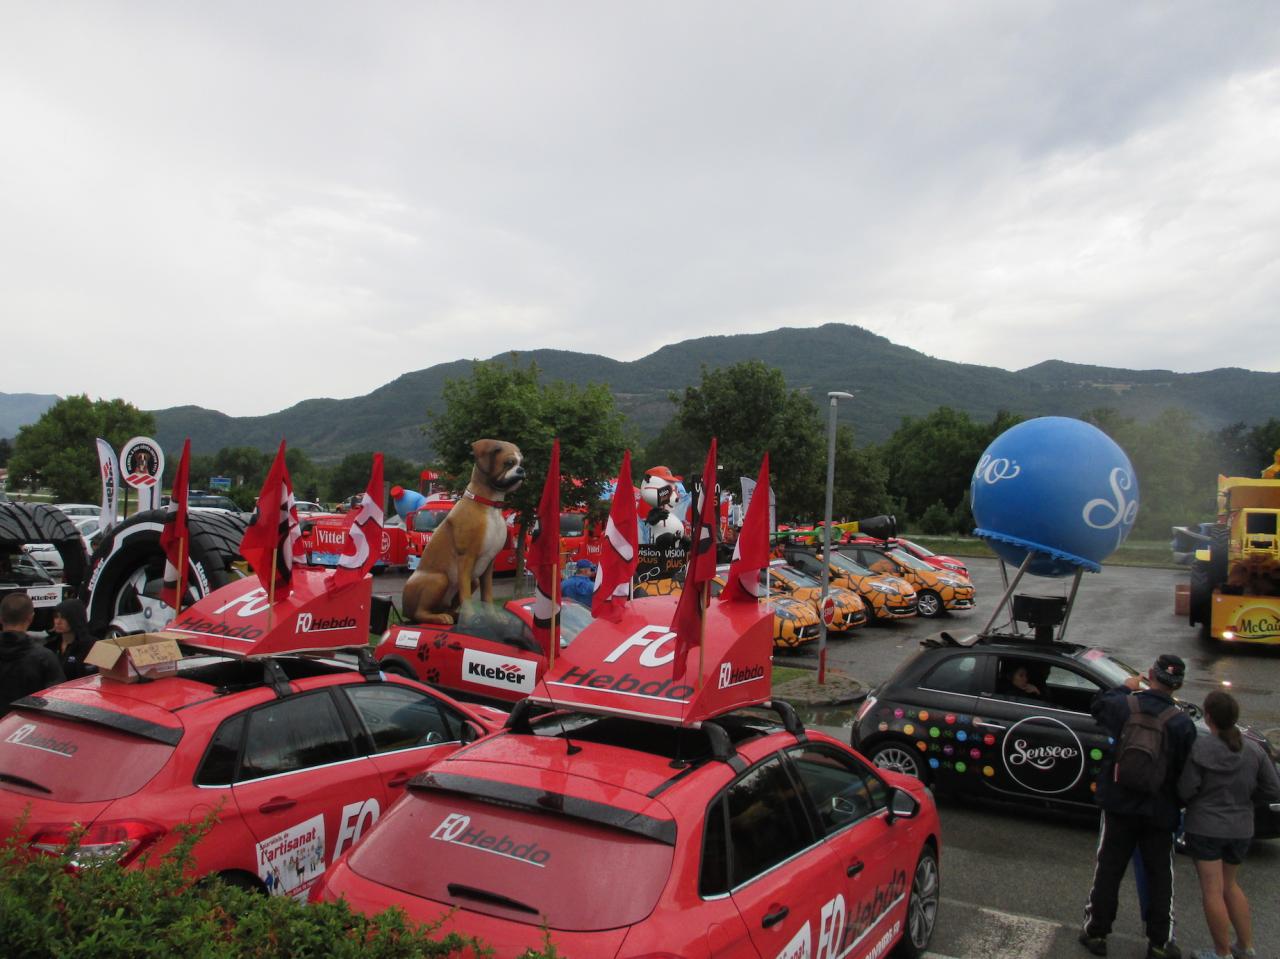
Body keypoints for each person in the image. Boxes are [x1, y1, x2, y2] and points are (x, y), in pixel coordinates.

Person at [1080, 653, 1196, 959]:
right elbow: (1185, 769)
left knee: (1109, 868)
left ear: (1149, 674)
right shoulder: (1182, 722)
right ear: (1179, 684)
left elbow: (1097, 706)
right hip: (1159, 810)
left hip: (1119, 803)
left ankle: (1096, 933)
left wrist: (1123, 686)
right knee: (1160, 875)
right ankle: (1160, 941)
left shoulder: (1124, 705)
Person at [1178, 690, 1280, 959]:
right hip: (1241, 828)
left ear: (1208, 717)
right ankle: (1245, 947)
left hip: (1206, 827)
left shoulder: (1201, 748)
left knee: (1212, 890)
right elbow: (1272, 789)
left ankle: (1221, 953)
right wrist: (1245, 798)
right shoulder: (1254, 750)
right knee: (1230, 885)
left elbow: (1186, 789)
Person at [0, 593, 65, 715]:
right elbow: (57, 702)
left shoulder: (43, 657)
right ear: (31, 618)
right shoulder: (44, 658)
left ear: (1, 618)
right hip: (27, 727)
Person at [45, 597, 99, 680]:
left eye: (63, 617)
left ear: (75, 619)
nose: (58, 622)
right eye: (56, 617)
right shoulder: (50, 645)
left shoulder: (92, 646)